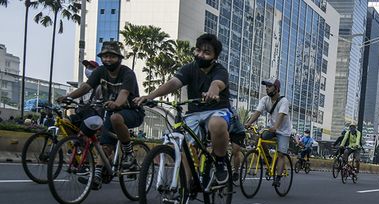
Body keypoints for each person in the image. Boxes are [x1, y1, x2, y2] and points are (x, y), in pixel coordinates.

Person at [136, 33, 232, 188]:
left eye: (206, 53)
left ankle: (220, 162)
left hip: (216, 109)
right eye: (198, 51)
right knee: (184, 144)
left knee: (217, 124)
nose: (200, 55)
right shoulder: (189, 68)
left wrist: (213, 90)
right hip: (193, 113)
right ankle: (185, 189)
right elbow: (173, 83)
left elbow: (217, 83)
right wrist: (150, 96)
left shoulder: (220, 70)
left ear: (215, 58)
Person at [60, 41, 145, 188]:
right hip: (111, 112)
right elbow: (86, 86)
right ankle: (98, 175)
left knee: (115, 117)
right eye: (105, 56)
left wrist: (117, 104)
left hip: (133, 112)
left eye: (111, 56)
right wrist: (69, 97)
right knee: (105, 145)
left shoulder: (127, 74)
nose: (108, 60)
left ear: (119, 58)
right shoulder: (100, 72)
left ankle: (128, 153)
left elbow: (124, 93)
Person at [244, 78, 292, 186]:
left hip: (283, 131)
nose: (266, 88)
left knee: (281, 154)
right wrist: (248, 123)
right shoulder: (265, 100)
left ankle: (278, 178)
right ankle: (268, 158)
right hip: (271, 128)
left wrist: (275, 127)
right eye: (266, 86)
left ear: (276, 88)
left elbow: (281, 116)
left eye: (269, 86)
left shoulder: (284, 101)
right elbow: (257, 112)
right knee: (259, 139)